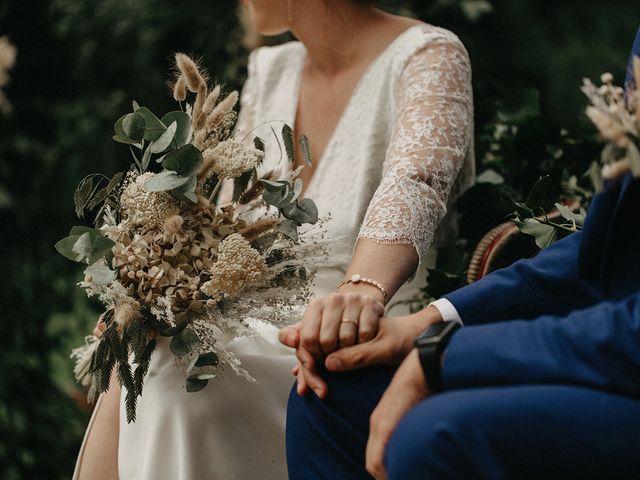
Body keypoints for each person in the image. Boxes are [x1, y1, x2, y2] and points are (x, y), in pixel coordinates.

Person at [73, 1, 474, 478]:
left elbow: (417, 181)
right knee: (148, 348)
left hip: (366, 336)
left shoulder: (429, 55)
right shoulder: (273, 67)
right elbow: (230, 224)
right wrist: (157, 299)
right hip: (256, 322)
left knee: (173, 378)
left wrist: (362, 288)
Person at [284, 27, 640, 480]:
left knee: (434, 433)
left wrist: (444, 354)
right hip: (607, 340)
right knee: (327, 395)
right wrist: (430, 322)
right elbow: (605, 248)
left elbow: (417, 178)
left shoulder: (430, 52)